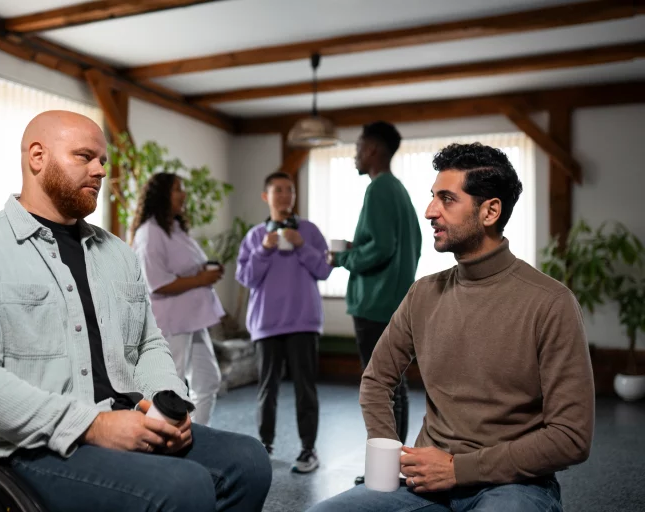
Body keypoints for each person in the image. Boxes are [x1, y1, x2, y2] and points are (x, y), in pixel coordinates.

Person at [0, 110, 272, 512]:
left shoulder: (118, 255)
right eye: (84, 156)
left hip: (125, 418)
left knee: (249, 462)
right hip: (22, 447)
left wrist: (164, 402)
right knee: (182, 487)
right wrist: (93, 425)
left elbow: (147, 343)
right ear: (37, 157)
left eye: (103, 160)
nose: (100, 170)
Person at [309, 142, 594, 512]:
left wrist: (459, 469)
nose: (430, 211)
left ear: (490, 211)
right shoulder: (423, 294)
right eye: (432, 198)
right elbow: (376, 380)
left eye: (447, 199)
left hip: (514, 485)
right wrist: (389, 455)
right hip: (424, 481)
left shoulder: (551, 303)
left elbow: (571, 437)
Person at [327, 121, 421, 484]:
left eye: (358, 146)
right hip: (393, 301)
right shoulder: (397, 190)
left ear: (373, 150)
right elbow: (397, 245)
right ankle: (394, 466)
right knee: (394, 387)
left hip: (375, 305)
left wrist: (341, 259)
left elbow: (381, 249)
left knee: (379, 389)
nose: (354, 153)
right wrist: (355, 250)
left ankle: (387, 471)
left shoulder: (379, 189)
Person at [236, 171, 332, 473]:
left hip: (303, 322)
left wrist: (302, 245)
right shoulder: (254, 236)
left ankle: (308, 450)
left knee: (306, 389)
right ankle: (264, 446)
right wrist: (265, 249)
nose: (285, 195)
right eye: (278, 190)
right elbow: (247, 278)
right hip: (266, 324)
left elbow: (325, 271)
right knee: (268, 389)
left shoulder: (310, 231)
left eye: (289, 190)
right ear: (267, 196)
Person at [132, 172, 225, 425]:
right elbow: (157, 283)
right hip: (171, 323)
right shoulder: (149, 233)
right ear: (161, 195)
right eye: (177, 189)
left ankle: (198, 438)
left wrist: (206, 272)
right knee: (169, 390)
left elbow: (187, 266)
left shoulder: (175, 228)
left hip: (193, 320)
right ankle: (161, 446)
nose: (183, 194)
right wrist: (201, 279)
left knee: (208, 381)